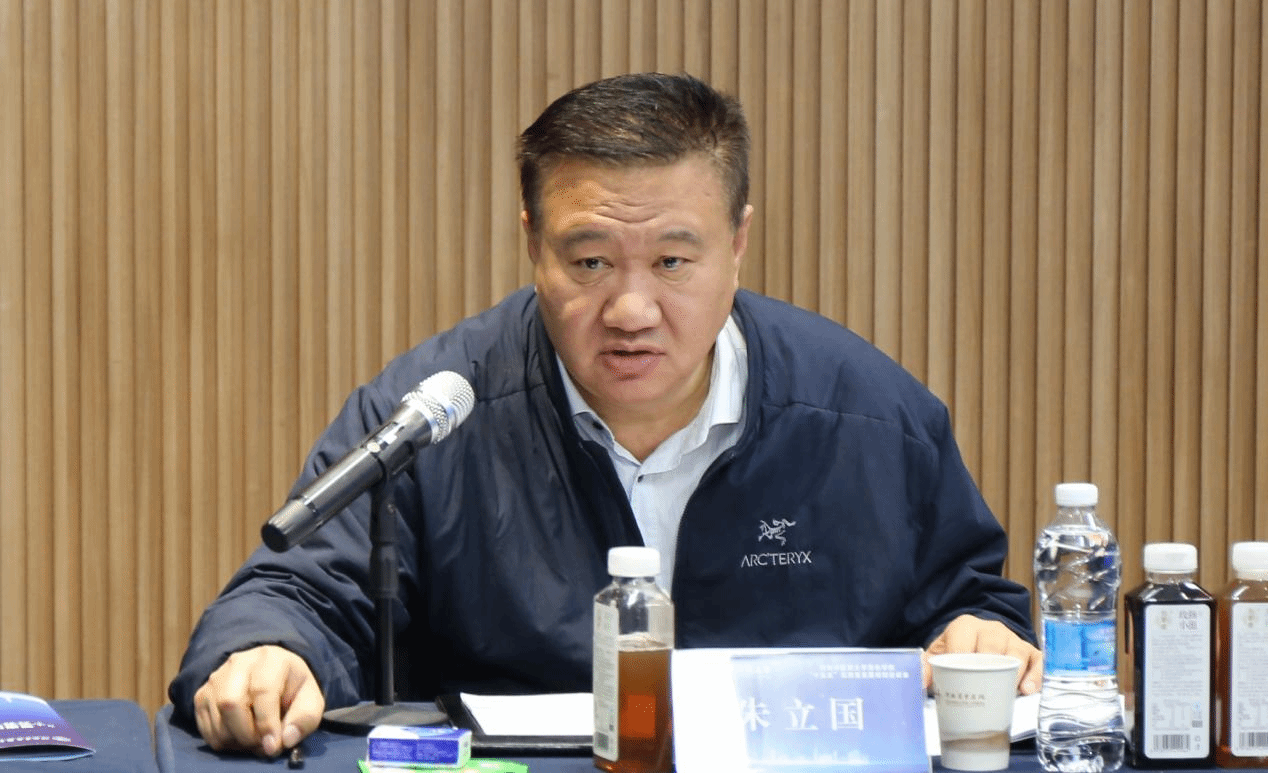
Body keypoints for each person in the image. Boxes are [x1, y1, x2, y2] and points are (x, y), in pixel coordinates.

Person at [170, 72, 1042, 758]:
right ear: (532, 241)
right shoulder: (437, 414)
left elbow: (967, 602)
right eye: (589, 261)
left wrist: (981, 635)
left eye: (672, 261)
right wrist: (268, 650)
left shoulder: (868, 415)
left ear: (737, 243)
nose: (631, 309)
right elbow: (299, 591)